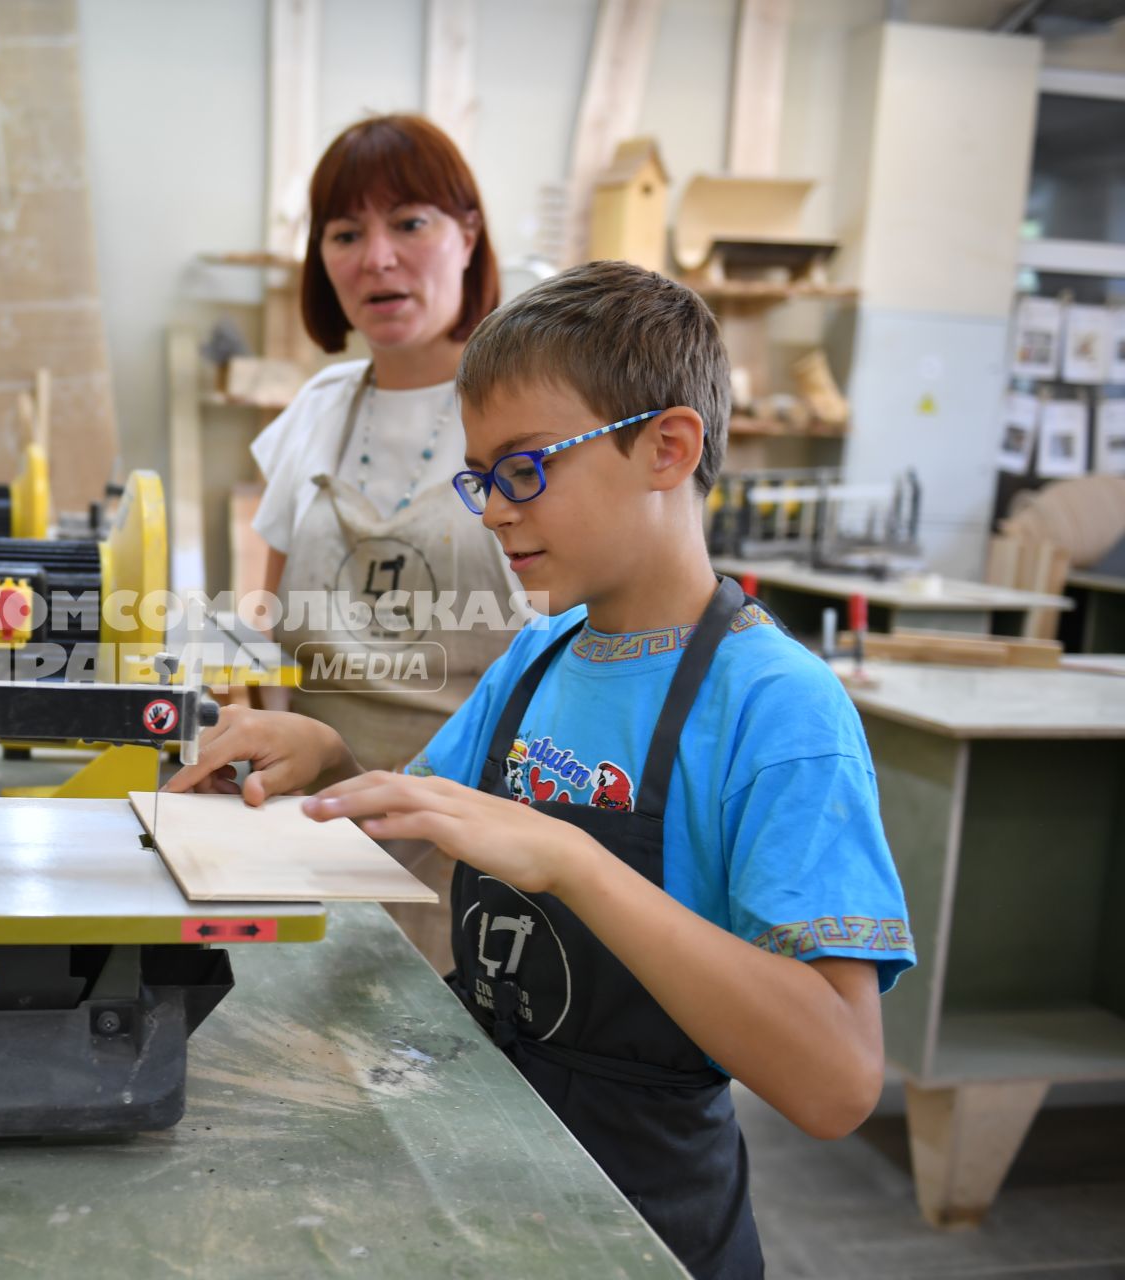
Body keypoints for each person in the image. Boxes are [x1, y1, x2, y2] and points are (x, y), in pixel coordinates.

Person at [172, 261, 915, 1279]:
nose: (492, 510)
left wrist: (574, 860)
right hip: (493, 1162)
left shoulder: (779, 709)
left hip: (648, 1215)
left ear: (667, 446)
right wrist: (332, 764)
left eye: (524, 469)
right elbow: (432, 820)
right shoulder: (539, 654)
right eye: (479, 477)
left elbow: (836, 1080)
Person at [247, 114, 522, 966]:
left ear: (468, 235)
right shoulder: (317, 412)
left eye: (409, 223)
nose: (377, 258)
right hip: (318, 832)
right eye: (345, 232)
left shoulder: (527, 415)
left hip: (480, 844)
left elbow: (574, 658)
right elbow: (266, 642)